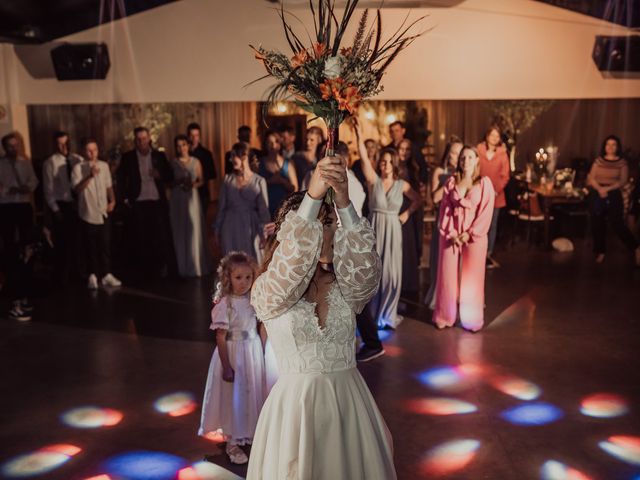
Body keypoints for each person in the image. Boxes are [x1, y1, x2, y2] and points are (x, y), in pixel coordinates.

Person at [247, 154, 396, 479]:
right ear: (292, 233)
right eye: (318, 223)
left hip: (349, 411)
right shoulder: (267, 288)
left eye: (330, 224)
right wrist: (312, 198)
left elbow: (368, 273)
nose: (326, 233)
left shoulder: (347, 284)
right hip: (294, 418)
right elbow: (293, 264)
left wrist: (343, 202)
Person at [199, 251, 268, 465]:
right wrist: (227, 366)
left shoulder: (253, 300)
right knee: (233, 396)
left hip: (252, 351)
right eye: (238, 278)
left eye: (248, 277)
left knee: (251, 392)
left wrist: (264, 354)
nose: (244, 282)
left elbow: (261, 326)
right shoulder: (225, 305)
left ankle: (250, 431)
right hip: (233, 352)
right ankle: (233, 441)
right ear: (228, 278)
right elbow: (220, 337)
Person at [356, 126, 422, 329]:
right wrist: (359, 135)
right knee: (375, 272)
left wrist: (406, 214)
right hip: (375, 228)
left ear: (394, 164)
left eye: (388, 162)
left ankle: (388, 313)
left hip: (393, 230)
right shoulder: (373, 181)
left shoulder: (402, 185)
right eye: (382, 161)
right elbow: (365, 159)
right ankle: (374, 314)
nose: (384, 165)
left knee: (391, 274)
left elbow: (418, 200)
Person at [434, 146, 495, 332]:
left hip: (474, 236)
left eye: (470, 157)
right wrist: (452, 233)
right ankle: (445, 316)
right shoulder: (451, 182)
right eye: (463, 158)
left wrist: (470, 233)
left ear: (477, 160)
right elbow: (445, 209)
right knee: (446, 275)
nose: (465, 161)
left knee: (473, 278)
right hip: (451, 234)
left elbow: (486, 212)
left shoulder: (484, 183)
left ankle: (472, 319)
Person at [118, 126, 174, 277]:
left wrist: (159, 174)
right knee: (140, 238)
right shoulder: (128, 157)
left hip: (156, 201)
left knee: (158, 237)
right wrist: (125, 200)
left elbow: (170, 176)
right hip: (138, 201)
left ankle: (159, 268)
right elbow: (121, 180)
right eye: (138, 139)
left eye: (144, 138)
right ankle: (143, 271)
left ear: (149, 139)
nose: (141, 141)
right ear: (134, 141)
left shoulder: (159, 156)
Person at [72, 138, 121, 290]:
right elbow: (76, 189)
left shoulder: (104, 165)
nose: (93, 153)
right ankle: (92, 275)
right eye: (89, 150)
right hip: (88, 211)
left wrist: (112, 200)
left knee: (105, 244)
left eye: (95, 149)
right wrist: (90, 175)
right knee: (90, 246)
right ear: (84, 151)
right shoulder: (78, 168)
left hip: (103, 211)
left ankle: (106, 274)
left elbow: (108, 185)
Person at [0, 133, 39, 320]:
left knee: (27, 248)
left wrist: (24, 188)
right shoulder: (1, 164)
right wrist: (10, 190)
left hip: (23, 207)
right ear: (4, 147)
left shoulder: (25, 162)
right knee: (11, 250)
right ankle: (14, 296)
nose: (13, 149)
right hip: (7, 208)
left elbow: (33, 182)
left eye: (16, 145)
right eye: (10, 146)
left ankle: (25, 291)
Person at [587, 135, 640, 266]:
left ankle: (636, 248)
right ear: (604, 147)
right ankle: (600, 252)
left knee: (617, 224)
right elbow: (591, 178)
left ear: (617, 147)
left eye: (613, 144)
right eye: (608, 144)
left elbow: (622, 181)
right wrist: (600, 189)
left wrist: (608, 189)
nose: (610, 147)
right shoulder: (598, 161)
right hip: (597, 193)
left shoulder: (622, 163)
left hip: (614, 194)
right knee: (597, 223)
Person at [214, 142, 270, 261]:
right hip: (230, 227)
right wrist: (217, 230)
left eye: (235, 155)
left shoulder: (259, 181)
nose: (232, 159)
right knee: (232, 262)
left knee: (252, 262)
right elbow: (221, 208)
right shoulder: (228, 180)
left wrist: (264, 234)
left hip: (251, 227)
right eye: (232, 155)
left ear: (244, 157)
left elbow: (264, 211)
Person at [424, 138, 463, 308]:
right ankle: (440, 297)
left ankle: (458, 297)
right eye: (453, 152)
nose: (456, 156)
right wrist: (453, 178)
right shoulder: (440, 171)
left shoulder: (466, 173)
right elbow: (434, 198)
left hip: (460, 221)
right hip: (444, 219)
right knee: (441, 260)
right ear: (447, 153)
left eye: (459, 152)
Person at [42, 131, 83, 285]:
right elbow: (48, 190)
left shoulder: (77, 159)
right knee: (62, 243)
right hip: (62, 205)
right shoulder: (50, 162)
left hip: (77, 205)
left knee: (77, 242)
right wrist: (56, 210)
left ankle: (77, 274)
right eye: (60, 143)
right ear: (55, 144)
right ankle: (60, 278)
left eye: (66, 143)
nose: (63, 146)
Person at [169, 135, 210, 277]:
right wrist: (179, 182)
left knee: (194, 230)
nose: (181, 148)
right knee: (180, 231)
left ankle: (195, 265)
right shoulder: (173, 162)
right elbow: (169, 183)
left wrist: (192, 184)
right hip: (178, 200)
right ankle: (182, 267)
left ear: (188, 145)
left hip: (192, 198)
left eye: (184, 145)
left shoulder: (196, 161)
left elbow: (202, 180)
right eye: (178, 146)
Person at [477, 125, 509, 269]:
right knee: (478, 222)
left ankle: (488, 253)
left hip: (496, 194)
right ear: (487, 136)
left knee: (492, 224)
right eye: (492, 135)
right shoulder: (479, 150)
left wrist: (496, 190)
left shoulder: (503, 154)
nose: (494, 138)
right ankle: (476, 251)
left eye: (497, 136)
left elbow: (505, 175)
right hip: (479, 193)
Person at [397, 138, 425, 297]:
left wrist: (410, 211)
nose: (404, 152)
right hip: (398, 207)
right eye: (402, 149)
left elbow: (419, 193)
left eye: (407, 149)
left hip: (411, 209)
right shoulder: (394, 166)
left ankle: (408, 284)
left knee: (410, 246)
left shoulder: (413, 167)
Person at [259, 131, 298, 219]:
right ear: (265, 144)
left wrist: (282, 181)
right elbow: (254, 186)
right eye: (269, 142)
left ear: (280, 144)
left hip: (283, 208)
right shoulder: (259, 163)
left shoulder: (288, 163)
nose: (273, 145)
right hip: (264, 207)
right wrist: (270, 181)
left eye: (276, 142)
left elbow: (295, 189)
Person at [187, 122, 217, 215]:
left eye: (196, 135)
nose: (194, 138)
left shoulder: (206, 153)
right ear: (187, 136)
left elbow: (213, 173)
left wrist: (199, 179)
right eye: (191, 135)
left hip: (202, 193)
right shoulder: (184, 153)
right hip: (187, 194)